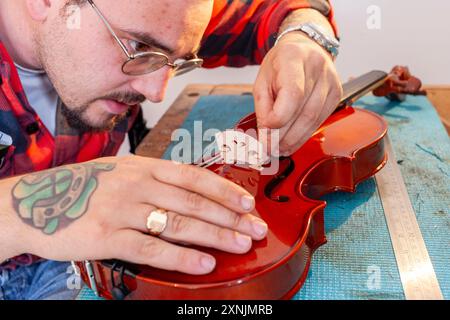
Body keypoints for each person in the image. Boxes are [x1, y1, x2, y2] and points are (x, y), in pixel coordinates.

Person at [0, 0, 342, 299]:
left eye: (177, 62)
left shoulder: (159, 14)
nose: (155, 92)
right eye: (138, 47)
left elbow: (281, 9)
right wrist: (21, 213)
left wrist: (304, 41)